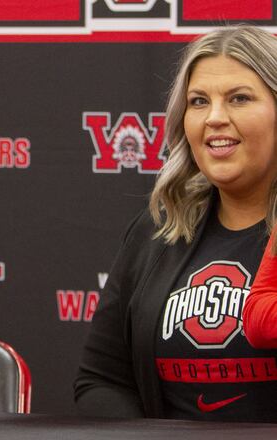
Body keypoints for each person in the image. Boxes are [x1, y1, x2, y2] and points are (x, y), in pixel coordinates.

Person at [74, 25, 277, 422]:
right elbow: (101, 381)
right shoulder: (157, 229)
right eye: (199, 101)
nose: (215, 118)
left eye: (239, 98)